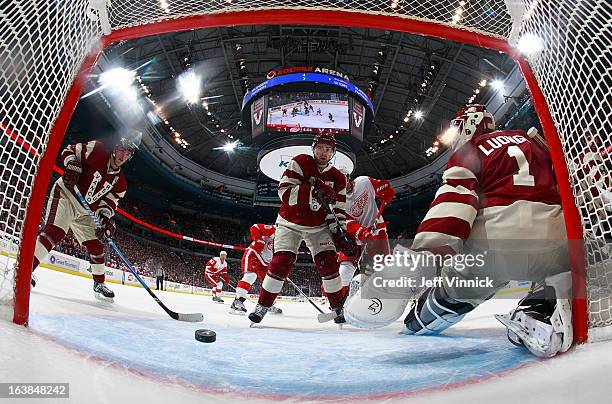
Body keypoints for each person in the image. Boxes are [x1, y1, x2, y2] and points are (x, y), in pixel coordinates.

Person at [344, 104, 572, 358]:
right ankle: (537, 310)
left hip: (497, 247)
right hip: (557, 239)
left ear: (469, 124)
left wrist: (427, 253)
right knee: (558, 279)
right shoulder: (537, 144)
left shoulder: (470, 151)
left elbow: (454, 204)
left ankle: (421, 318)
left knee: (454, 292)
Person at [248, 133, 355, 324]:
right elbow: (284, 193)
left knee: (329, 263)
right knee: (281, 262)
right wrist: (313, 191)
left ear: (333, 152)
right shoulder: (299, 162)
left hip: (319, 226)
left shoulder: (338, 177)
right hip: (289, 223)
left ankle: (338, 307)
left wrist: (341, 233)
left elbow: (337, 211)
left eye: (328, 149)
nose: (324, 153)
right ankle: (263, 305)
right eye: (320, 148)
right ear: (313, 148)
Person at [30, 130, 142, 302]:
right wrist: (72, 163)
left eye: (129, 153)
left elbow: (109, 204)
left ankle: (99, 284)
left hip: (84, 212)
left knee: (96, 246)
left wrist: (105, 219)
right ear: (116, 147)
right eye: (123, 150)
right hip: (66, 195)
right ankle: (25, 269)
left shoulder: (120, 183)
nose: (124, 155)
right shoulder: (97, 150)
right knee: (55, 232)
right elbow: (68, 150)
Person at [336, 174, 394, 295]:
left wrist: (386, 191)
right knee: (344, 271)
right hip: (354, 237)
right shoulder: (338, 201)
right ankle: (338, 301)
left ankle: (378, 298)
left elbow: (381, 186)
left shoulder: (364, 182)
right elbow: (347, 223)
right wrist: (362, 233)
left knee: (381, 269)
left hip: (377, 230)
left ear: (347, 177)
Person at [230, 224, 281, 315]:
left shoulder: (286, 240)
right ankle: (237, 301)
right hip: (254, 253)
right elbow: (255, 227)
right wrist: (259, 240)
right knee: (251, 275)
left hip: (265, 261)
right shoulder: (274, 229)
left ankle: (266, 305)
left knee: (269, 282)